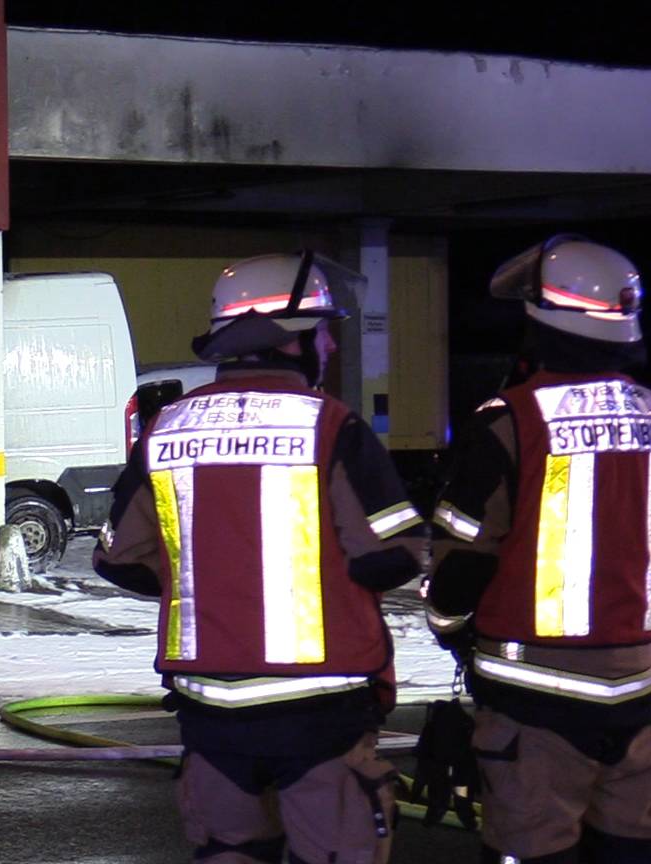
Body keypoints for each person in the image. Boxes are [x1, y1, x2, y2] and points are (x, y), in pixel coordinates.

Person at [94, 252, 428, 864]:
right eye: (324, 332)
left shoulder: (165, 431)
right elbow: (392, 555)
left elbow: (116, 559)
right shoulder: (332, 427)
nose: (329, 346)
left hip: (209, 710)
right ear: (294, 340)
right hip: (321, 707)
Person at [422, 235, 651, 864]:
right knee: (631, 850)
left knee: (533, 852)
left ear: (538, 319)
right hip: (633, 691)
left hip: (531, 700)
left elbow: (464, 563)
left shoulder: (508, 421)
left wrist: (450, 630)